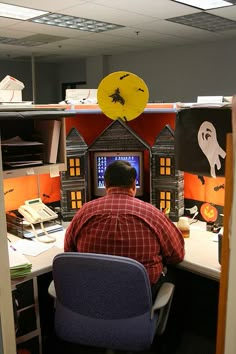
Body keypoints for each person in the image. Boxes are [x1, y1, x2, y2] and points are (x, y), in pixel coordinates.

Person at [64, 160, 185, 300]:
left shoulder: (84, 212)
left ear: (106, 185)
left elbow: (69, 252)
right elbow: (177, 255)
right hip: (138, 299)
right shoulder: (152, 214)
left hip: (93, 299)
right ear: (134, 185)